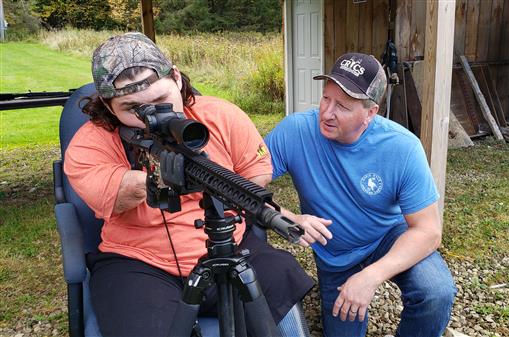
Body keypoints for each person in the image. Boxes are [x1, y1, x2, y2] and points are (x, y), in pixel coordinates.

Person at [64, 32, 313, 337]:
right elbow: (115, 195)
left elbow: (254, 174)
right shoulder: (89, 144)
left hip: (228, 245)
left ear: (177, 79)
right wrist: (158, 174)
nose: (150, 117)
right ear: (108, 105)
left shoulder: (222, 115)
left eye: (160, 100)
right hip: (138, 261)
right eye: (133, 109)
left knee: (280, 277)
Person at [265, 53, 457, 337]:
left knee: (436, 291)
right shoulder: (296, 131)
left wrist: (371, 276)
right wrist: (289, 218)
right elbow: (240, 184)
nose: (327, 113)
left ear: (370, 113)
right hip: (336, 251)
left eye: (342, 106)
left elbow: (428, 231)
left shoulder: (402, 147)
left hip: (387, 237)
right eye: (326, 99)